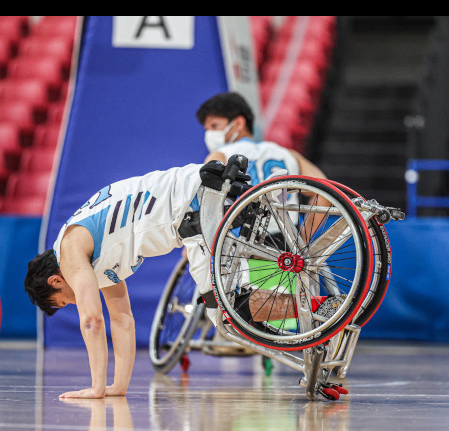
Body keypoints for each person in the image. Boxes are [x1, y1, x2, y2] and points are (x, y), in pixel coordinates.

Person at [24, 157, 334, 400]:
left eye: (66, 300)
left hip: (190, 208)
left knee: (226, 313)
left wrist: (95, 387)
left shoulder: (69, 249)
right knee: (229, 307)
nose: (76, 298)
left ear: (55, 280)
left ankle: (321, 307)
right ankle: (323, 307)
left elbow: (92, 321)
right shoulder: (97, 254)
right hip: (196, 193)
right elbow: (123, 320)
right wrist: (116, 386)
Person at [196, 92, 327, 183]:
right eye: (207, 129)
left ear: (238, 123)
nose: (209, 134)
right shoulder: (289, 155)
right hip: (286, 223)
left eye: (214, 126)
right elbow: (325, 191)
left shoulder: (220, 156)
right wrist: (307, 225)